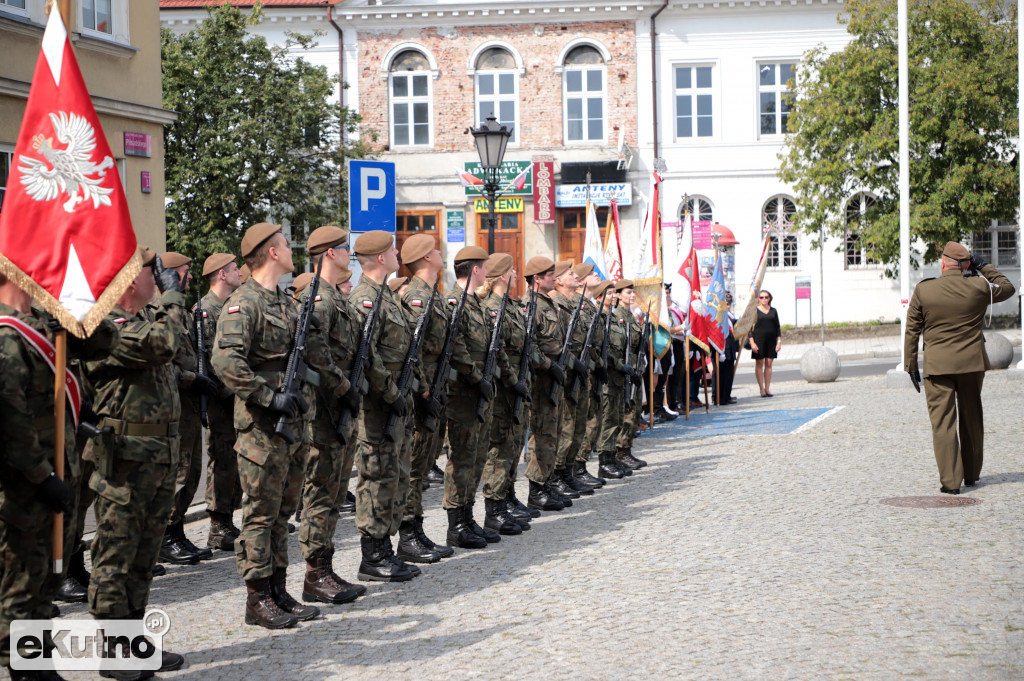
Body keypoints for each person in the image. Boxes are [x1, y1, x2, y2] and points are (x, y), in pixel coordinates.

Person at [0, 271, 117, 681]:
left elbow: (105, 340)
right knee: (20, 588)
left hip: (54, 476)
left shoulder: (39, 326)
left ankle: (39, 663)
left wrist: (71, 310)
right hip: (24, 486)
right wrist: (40, 473)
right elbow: (9, 417)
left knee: (42, 585)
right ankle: (27, 669)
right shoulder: (6, 334)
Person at [84, 246, 188, 677]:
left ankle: (133, 640)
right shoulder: (105, 328)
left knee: (144, 557)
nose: (161, 277)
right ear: (130, 280)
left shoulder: (145, 321)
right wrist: (173, 299)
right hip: (125, 460)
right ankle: (111, 649)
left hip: (159, 457)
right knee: (116, 555)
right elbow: (166, 344)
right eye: (154, 271)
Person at [212, 222, 318, 629]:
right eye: (285, 246)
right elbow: (226, 363)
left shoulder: (287, 302)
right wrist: (268, 396)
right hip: (261, 426)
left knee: (282, 512)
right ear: (271, 252)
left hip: (293, 424)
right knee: (259, 513)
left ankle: (277, 587)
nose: (291, 251)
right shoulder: (245, 303)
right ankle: (257, 598)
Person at [903, 241, 1015, 494]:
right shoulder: (978, 286)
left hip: (938, 365)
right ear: (966, 265)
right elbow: (1008, 287)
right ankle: (972, 474)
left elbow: (912, 329)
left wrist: (911, 364)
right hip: (971, 364)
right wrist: (983, 265)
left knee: (942, 422)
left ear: (943, 263)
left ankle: (951, 483)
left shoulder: (925, 290)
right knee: (972, 418)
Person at [294, 226, 366, 605]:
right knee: (321, 492)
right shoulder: (317, 300)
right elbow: (316, 357)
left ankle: (324, 568)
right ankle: (314, 573)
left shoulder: (335, 298)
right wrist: (344, 389)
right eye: (344, 248)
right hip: (324, 413)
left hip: (341, 410)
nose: (348, 254)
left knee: (336, 492)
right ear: (328, 254)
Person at [348, 230, 418, 581]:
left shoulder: (385, 297)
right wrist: (391, 392)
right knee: (375, 476)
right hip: (378, 403)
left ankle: (385, 548)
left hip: (396, 398)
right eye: (392, 250)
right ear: (379, 258)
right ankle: (371, 555)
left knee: (394, 475)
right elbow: (367, 355)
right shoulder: (365, 300)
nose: (396, 253)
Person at [395, 234, 458, 563]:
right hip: (425, 390)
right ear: (423, 258)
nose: (440, 253)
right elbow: (413, 351)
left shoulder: (433, 295)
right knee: (415, 467)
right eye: (434, 250)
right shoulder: (417, 297)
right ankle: (408, 533)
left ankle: (416, 528)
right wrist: (423, 391)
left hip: (436, 385)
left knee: (424, 462)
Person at [442, 246, 506, 548]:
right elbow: (456, 346)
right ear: (476, 270)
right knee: (461, 458)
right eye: (483, 267)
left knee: (477, 456)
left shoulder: (475, 304)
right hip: (463, 394)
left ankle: (468, 517)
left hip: (480, 391)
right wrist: (477, 377)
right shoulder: (455, 303)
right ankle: (456, 524)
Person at [160, 252, 217, 566]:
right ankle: (167, 536)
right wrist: (191, 377)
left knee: (192, 470)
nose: (190, 277)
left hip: (191, 404)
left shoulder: (183, 311)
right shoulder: (167, 312)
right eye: (185, 271)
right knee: (180, 473)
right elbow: (164, 361)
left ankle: (176, 530)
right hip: (177, 404)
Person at [478, 253, 531, 535]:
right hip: (503, 387)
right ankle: (494, 509)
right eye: (511, 270)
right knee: (499, 448)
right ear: (501, 276)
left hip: (517, 384)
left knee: (512, 444)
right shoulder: (492, 308)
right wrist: (513, 380)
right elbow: (496, 352)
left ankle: (506, 497)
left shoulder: (510, 306)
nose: (516, 272)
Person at [199, 253, 244, 551]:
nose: (240, 272)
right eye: (235, 269)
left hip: (234, 398)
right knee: (222, 459)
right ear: (222, 275)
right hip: (219, 399)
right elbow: (208, 360)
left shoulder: (229, 306)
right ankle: (217, 524)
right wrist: (235, 391)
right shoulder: (205, 310)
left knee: (232, 461)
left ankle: (226, 519)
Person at [522, 256, 569, 510]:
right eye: (549, 274)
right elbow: (530, 347)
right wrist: (550, 366)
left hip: (554, 375)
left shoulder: (547, 303)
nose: (554, 277)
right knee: (542, 434)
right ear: (536, 279)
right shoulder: (530, 305)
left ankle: (547, 482)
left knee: (553, 433)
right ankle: (536, 489)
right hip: (541, 378)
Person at [748, 289, 781, 397]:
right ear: (758, 299)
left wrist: (779, 342)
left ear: (769, 298)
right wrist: (752, 343)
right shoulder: (754, 311)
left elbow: (777, 327)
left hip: (771, 341)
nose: (764, 299)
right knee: (759, 364)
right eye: (762, 297)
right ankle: (761, 389)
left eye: (766, 297)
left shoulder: (773, 311)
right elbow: (749, 329)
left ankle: (767, 388)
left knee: (769, 364)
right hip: (759, 340)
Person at [713, 293, 740, 405]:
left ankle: (726, 396)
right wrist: (720, 350)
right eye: (726, 303)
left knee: (728, 374)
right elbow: (715, 334)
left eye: (729, 303)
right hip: (721, 349)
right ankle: (718, 397)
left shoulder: (730, 316)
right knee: (719, 374)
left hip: (730, 349)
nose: (728, 306)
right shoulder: (717, 315)